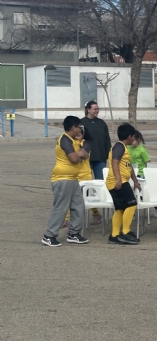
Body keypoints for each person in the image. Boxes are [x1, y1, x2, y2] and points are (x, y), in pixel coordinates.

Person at [42, 116, 90, 246]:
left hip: (73, 179)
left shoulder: (74, 140)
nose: (80, 129)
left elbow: (85, 155)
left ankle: (74, 233)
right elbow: (74, 158)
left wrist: (80, 153)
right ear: (74, 127)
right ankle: (49, 235)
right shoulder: (64, 139)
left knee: (78, 206)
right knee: (61, 208)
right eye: (79, 126)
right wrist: (80, 154)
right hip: (62, 179)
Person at [106, 123, 141, 245]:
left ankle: (114, 235)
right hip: (117, 181)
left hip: (121, 180)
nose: (134, 139)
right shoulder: (119, 146)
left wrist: (135, 181)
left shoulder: (124, 148)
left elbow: (129, 167)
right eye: (133, 136)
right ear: (129, 136)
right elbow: (115, 162)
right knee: (131, 205)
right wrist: (118, 179)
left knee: (120, 208)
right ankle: (125, 232)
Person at [81, 100, 112, 225]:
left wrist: (108, 155)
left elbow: (107, 141)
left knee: (100, 184)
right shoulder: (81, 123)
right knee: (86, 185)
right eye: (94, 109)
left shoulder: (102, 123)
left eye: (98, 109)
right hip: (85, 159)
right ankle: (94, 212)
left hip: (100, 158)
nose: (96, 111)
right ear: (88, 109)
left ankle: (103, 209)